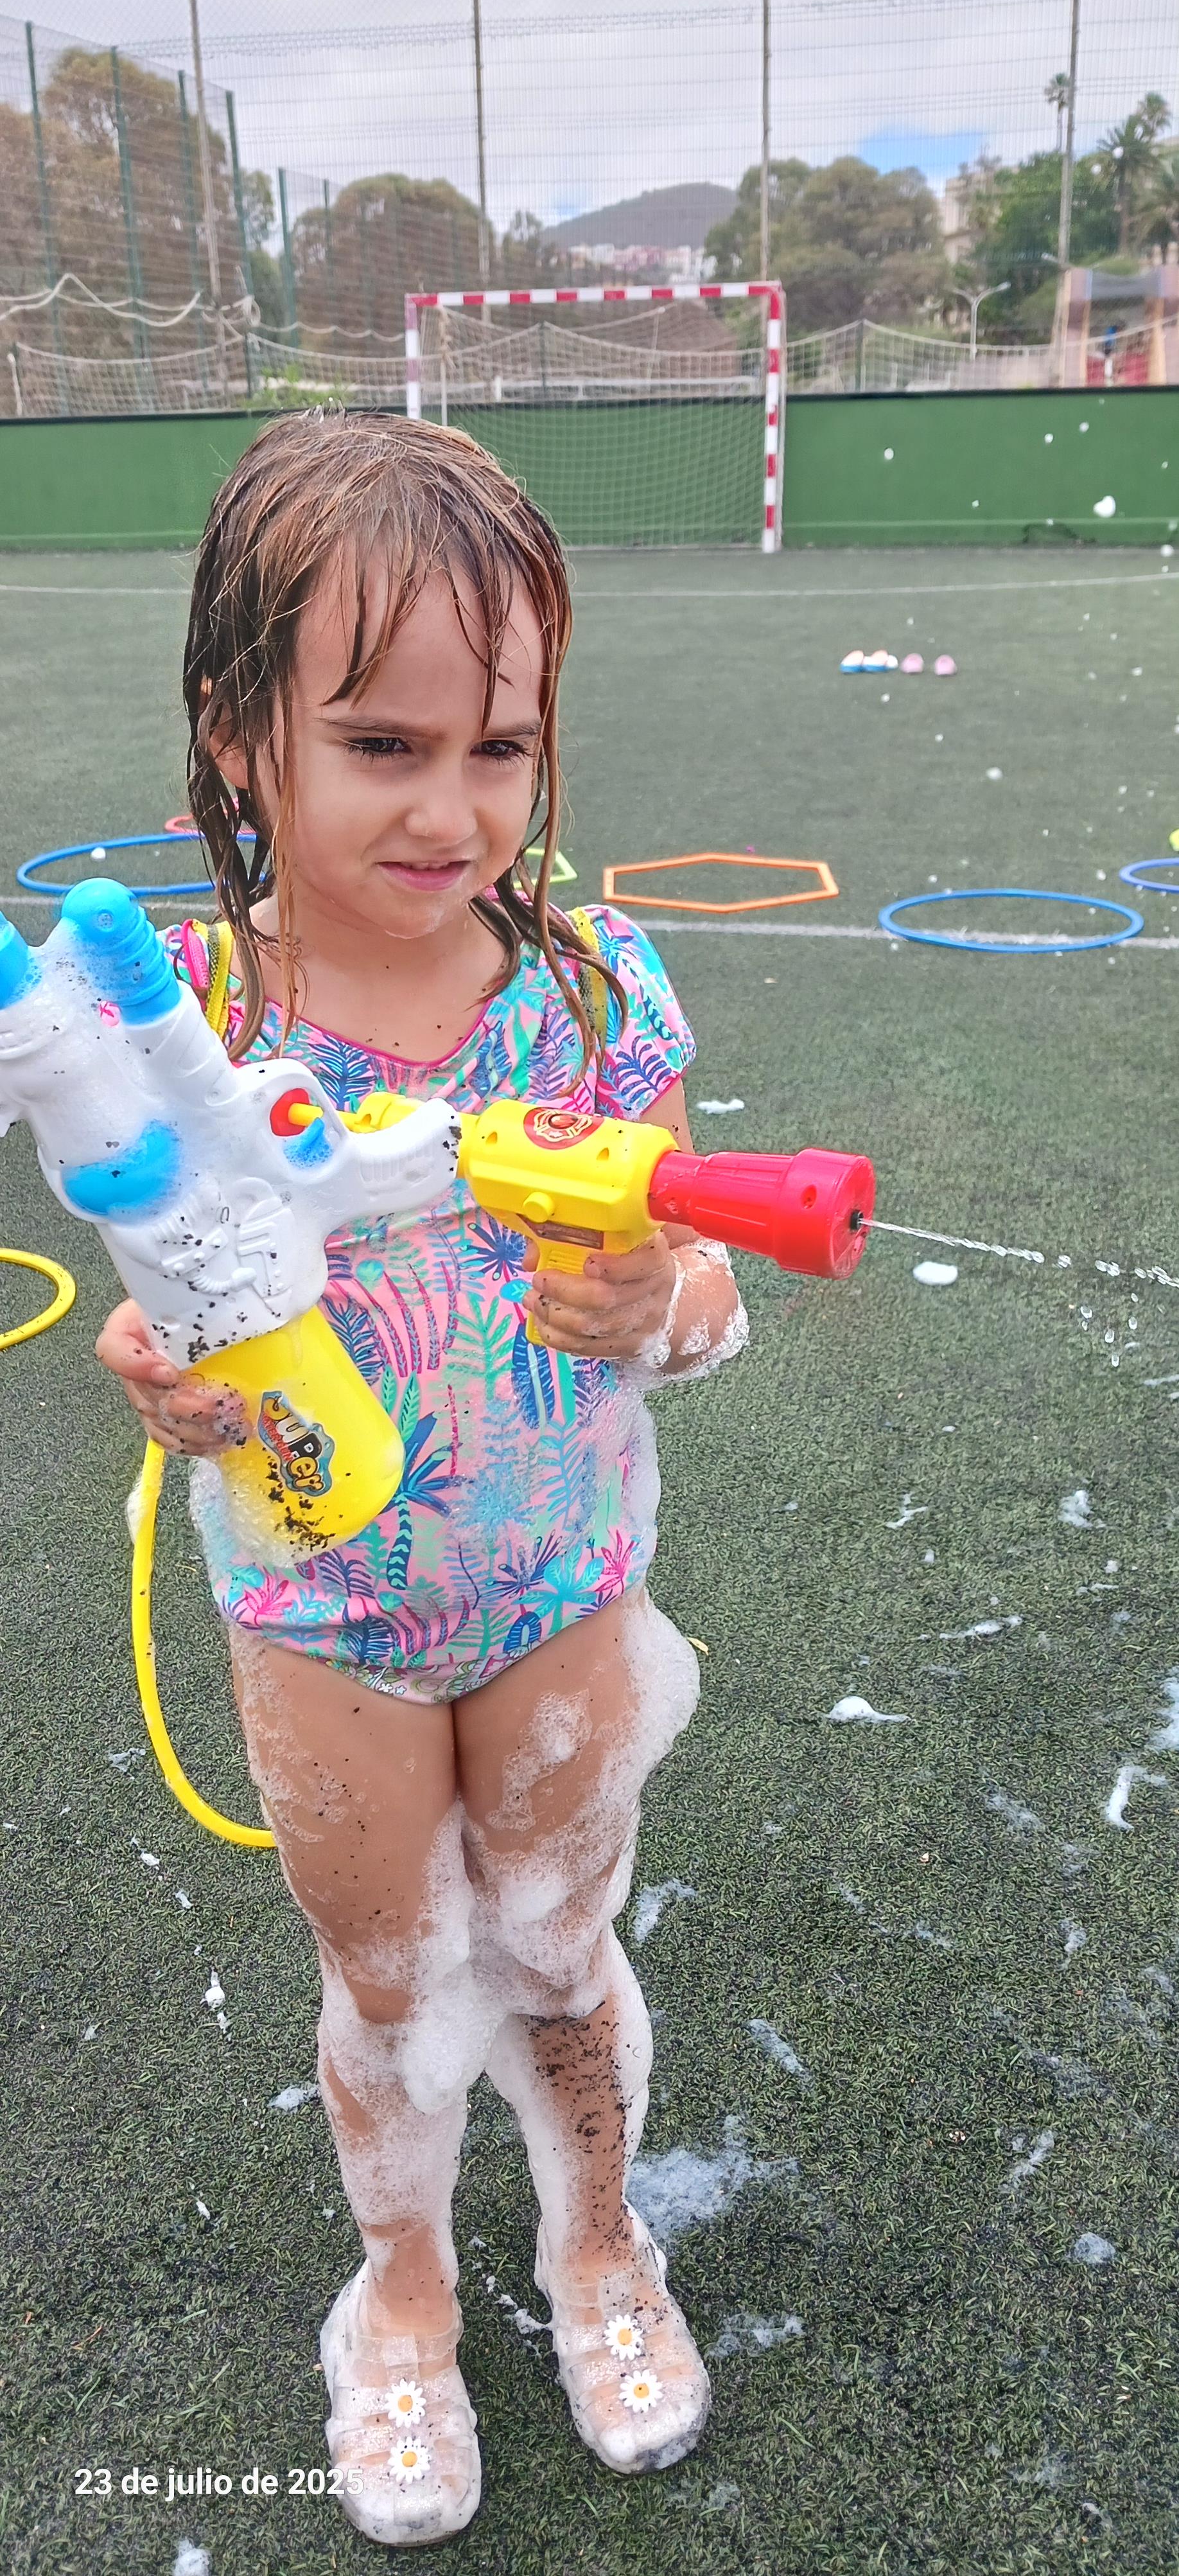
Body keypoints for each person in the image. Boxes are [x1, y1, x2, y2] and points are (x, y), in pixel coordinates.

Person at [96, 412, 748, 2548]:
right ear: (239, 729)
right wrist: (160, 1382)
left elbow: (702, 1287)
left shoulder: (589, 991)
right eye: (382, 744)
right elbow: (160, 1306)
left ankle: (597, 2244)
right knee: (389, 1980)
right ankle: (402, 2294)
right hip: (323, 1611)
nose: (454, 811)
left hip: (559, 1581)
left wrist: (660, 1300)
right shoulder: (184, 1023)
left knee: (556, 1948)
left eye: (502, 748)